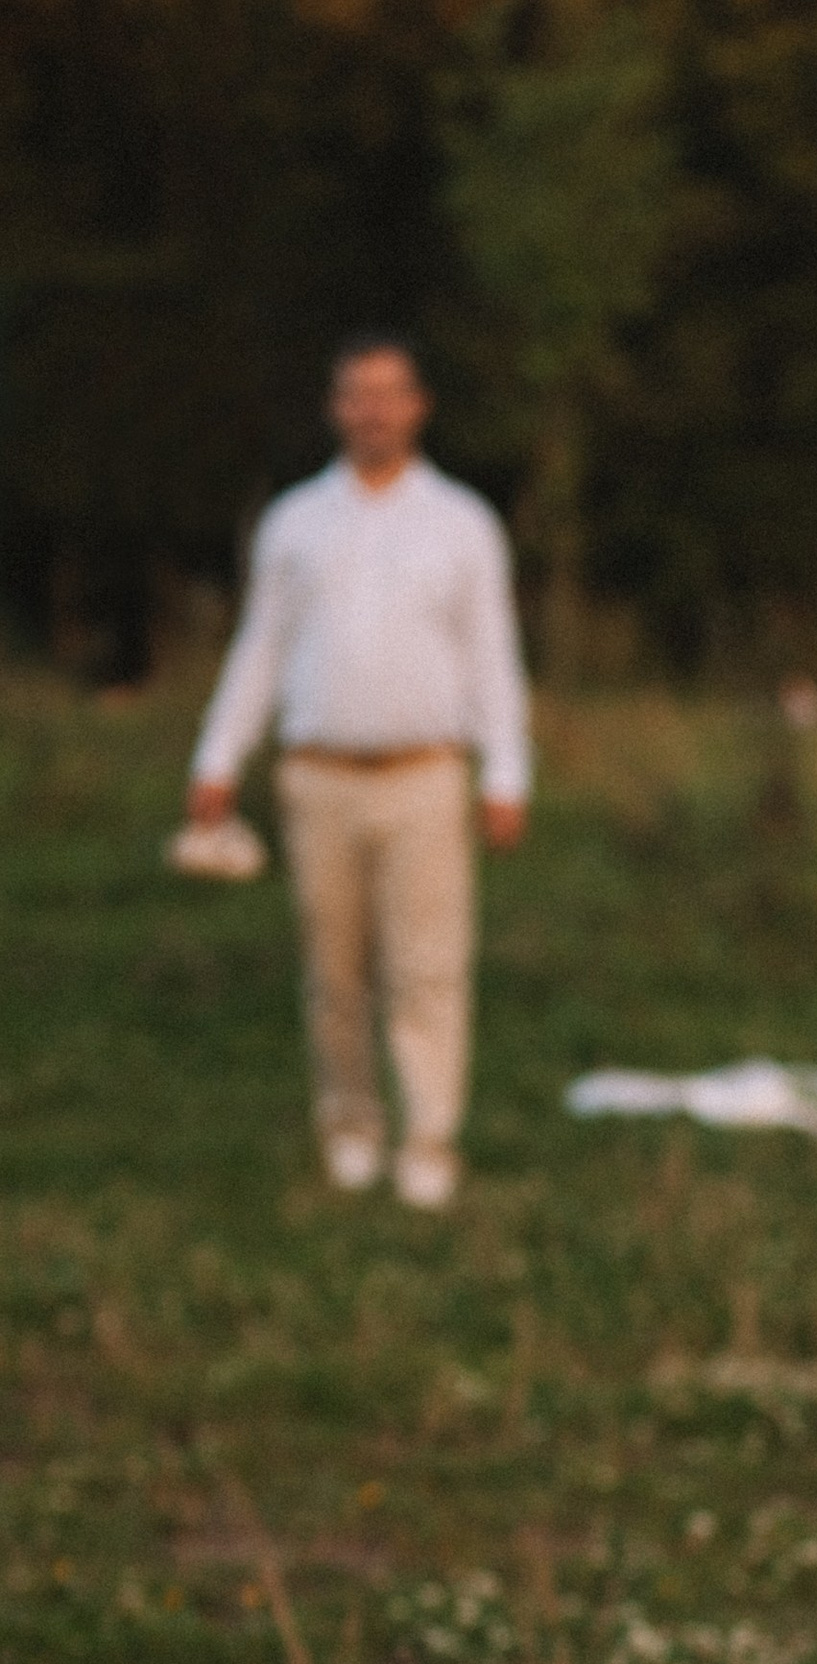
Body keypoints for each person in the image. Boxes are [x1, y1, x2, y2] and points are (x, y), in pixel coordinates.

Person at [183, 335, 530, 1210]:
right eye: (356, 394)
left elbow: (493, 656)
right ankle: (349, 1126)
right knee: (334, 971)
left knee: (429, 967)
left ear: (419, 406)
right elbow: (261, 647)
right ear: (336, 408)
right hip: (318, 776)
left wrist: (507, 773)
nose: (373, 410)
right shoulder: (295, 522)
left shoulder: (462, 523)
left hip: (426, 775)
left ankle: (428, 1139)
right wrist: (218, 757)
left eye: (389, 394)